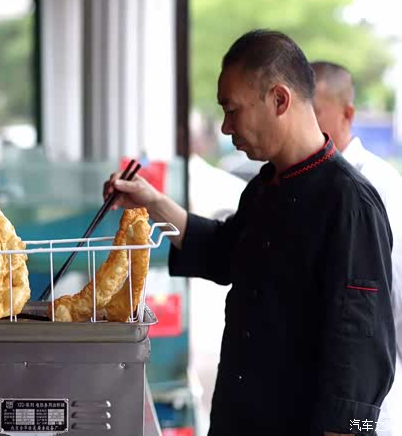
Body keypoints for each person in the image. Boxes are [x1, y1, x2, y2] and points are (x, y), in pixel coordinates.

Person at [105, 30, 395, 435]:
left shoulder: (349, 203)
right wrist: (152, 202)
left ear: (279, 100)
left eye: (232, 110)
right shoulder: (263, 187)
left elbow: (360, 352)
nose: (226, 127)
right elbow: (225, 252)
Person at [312, 60, 402, 436]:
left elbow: (396, 291)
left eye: (315, 112)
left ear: (347, 114)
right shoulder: (302, 181)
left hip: (369, 408)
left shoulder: (378, 184)